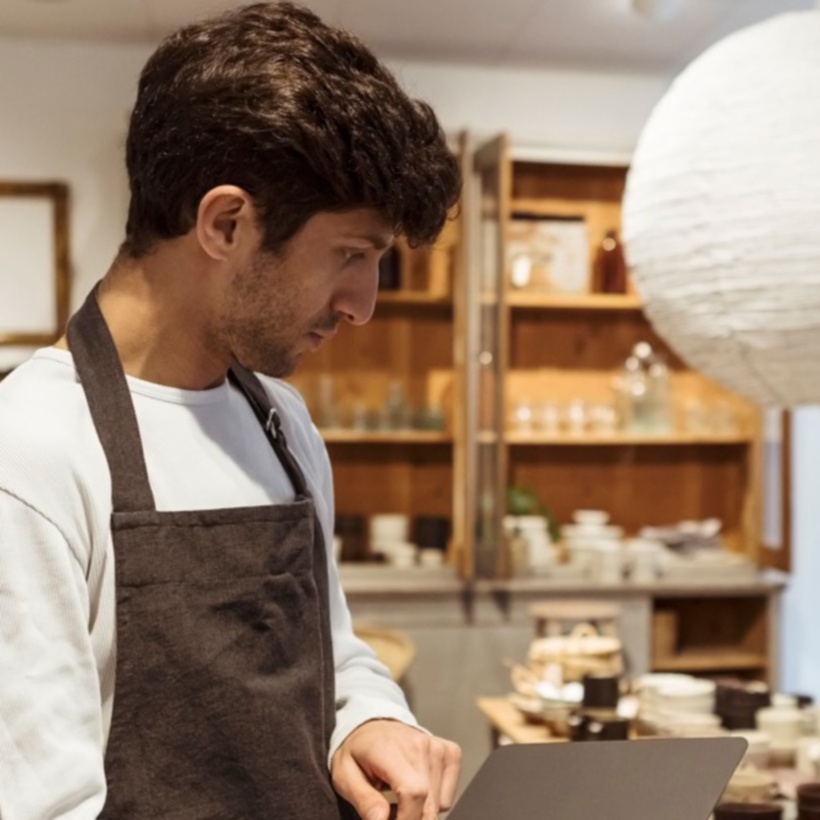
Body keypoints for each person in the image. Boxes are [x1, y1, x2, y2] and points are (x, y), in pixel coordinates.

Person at [0, 3, 462, 818]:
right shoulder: (31, 450)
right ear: (226, 223)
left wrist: (369, 717)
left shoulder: (282, 424)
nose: (363, 305)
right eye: (351, 255)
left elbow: (330, 653)